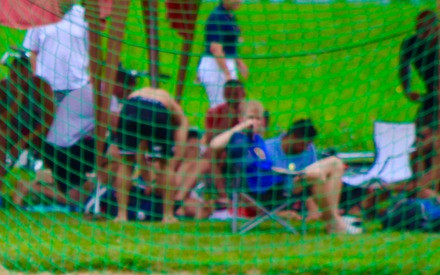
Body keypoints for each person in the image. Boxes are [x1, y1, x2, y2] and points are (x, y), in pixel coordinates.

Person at [209, 103, 360, 235]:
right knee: (324, 169)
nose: (255, 122)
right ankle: (336, 222)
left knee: (331, 167)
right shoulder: (238, 139)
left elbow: (269, 168)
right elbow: (214, 145)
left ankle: (333, 221)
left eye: (258, 119)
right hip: (265, 192)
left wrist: (290, 174)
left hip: (280, 183)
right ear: (241, 119)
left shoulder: (259, 141)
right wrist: (241, 126)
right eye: (251, 117)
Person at [107, 86, 189, 223]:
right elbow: (183, 125)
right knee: (164, 164)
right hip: (157, 110)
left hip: (131, 107)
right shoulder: (171, 104)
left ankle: (121, 216)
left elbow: (138, 152)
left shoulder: (138, 92)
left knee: (126, 162)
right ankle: (168, 216)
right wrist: (174, 159)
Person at [11, 83, 97, 207]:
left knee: (79, 194)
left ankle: (33, 186)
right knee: (75, 199)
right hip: (65, 149)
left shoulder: (83, 92)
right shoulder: (101, 97)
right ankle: (30, 187)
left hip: (56, 147)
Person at [22, 2, 90, 104]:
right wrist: (36, 80)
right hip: (47, 88)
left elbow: (94, 52)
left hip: (77, 86)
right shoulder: (39, 13)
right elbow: (33, 52)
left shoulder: (83, 16)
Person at [197, 0, 247, 107]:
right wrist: (227, 74)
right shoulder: (217, 17)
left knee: (233, 106)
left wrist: (240, 63)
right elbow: (216, 49)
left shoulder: (230, 16)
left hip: (225, 64)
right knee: (220, 106)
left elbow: (230, 46)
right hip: (215, 66)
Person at [399, 10, 439, 137]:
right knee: (419, 132)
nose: (422, 32)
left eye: (426, 29)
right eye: (419, 28)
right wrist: (407, 89)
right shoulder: (411, 44)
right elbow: (403, 67)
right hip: (432, 94)